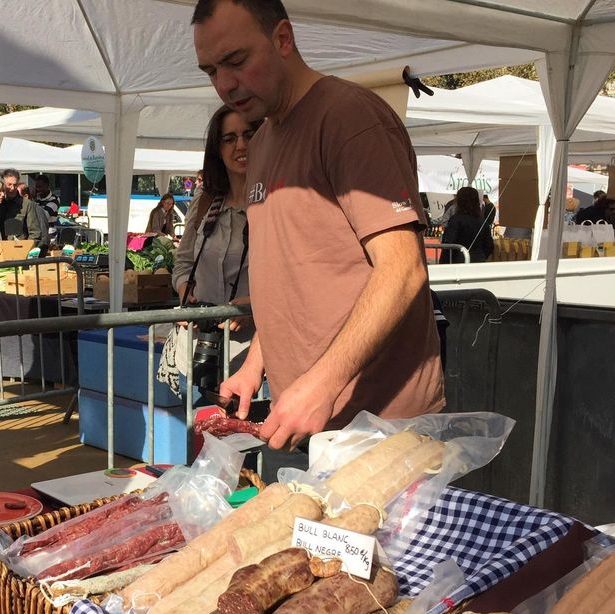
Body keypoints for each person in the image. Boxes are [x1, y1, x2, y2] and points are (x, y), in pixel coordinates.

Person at [195, 0, 444, 451]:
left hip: (382, 427)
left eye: (236, 61)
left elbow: (404, 270)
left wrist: (322, 384)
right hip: (307, 420)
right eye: (211, 71)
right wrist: (257, 364)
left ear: (283, 39)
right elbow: (294, 277)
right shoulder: (265, 138)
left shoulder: (350, 119)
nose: (225, 85)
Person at [158, 105, 258, 396]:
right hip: (200, 349)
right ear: (217, 148)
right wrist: (185, 291)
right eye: (229, 138)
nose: (240, 145)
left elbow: (293, 275)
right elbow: (184, 262)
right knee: (201, 434)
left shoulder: (274, 200)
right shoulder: (205, 199)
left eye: (248, 135)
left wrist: (255, 304)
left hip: (254, 356)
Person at [439, 186, 493, 264]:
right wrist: (481, 256)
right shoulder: (482, 221)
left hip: (458, 262)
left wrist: (443, 263)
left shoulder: (455, 220)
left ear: (459, 201)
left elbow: (448, 244)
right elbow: (489, 245)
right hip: (478, 261)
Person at [0, 167, 47, 248]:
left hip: (19, 251)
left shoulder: (27, 204)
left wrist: (25, 250)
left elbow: (35, 233)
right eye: (9, 185)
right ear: (3, 185)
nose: (12, 188)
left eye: (15, 185)